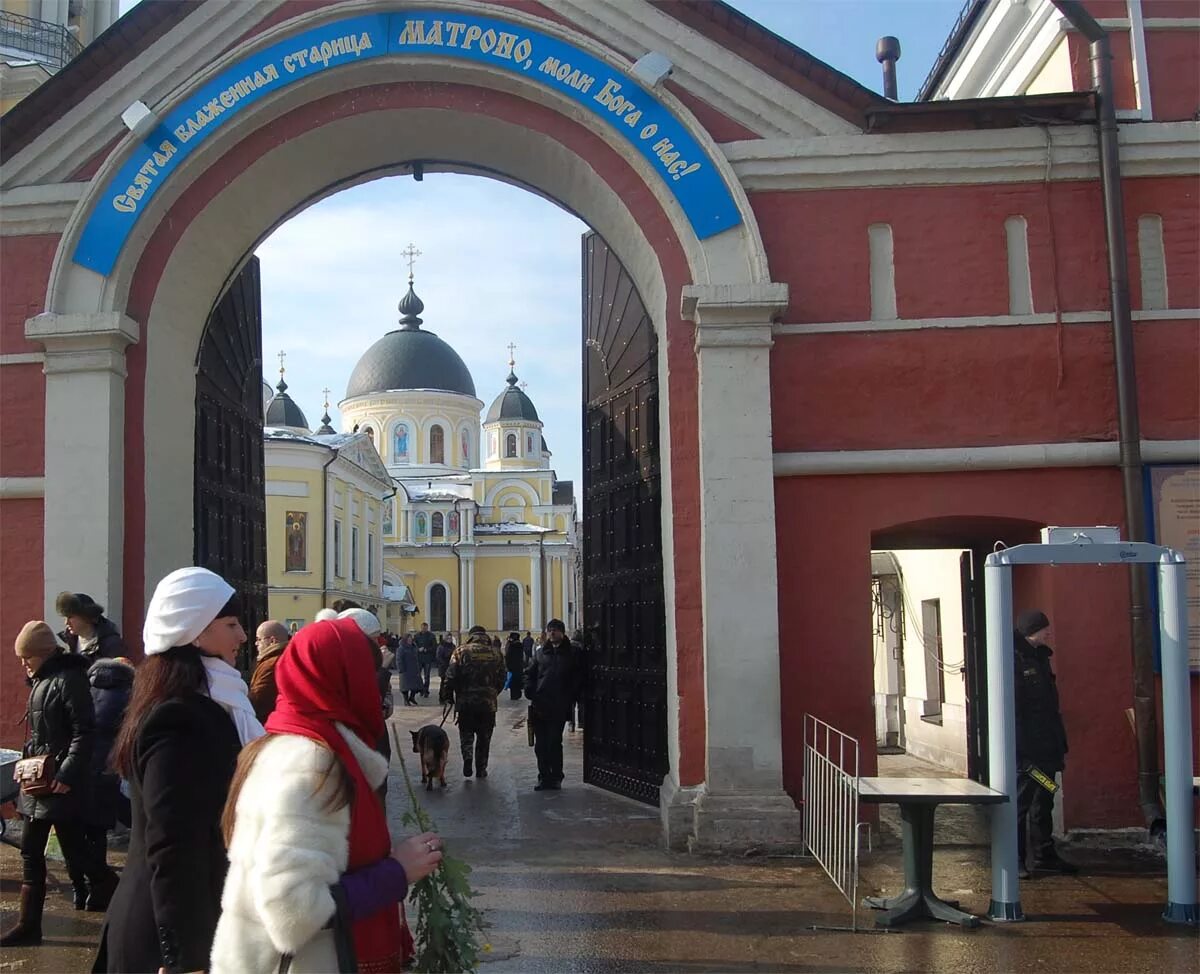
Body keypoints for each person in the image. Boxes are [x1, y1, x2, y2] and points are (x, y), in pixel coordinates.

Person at [210, 618, 442, 974]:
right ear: (343, 679)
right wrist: (396, 871)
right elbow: (294, 910)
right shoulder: (309, 763)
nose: (375, 687)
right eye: (367, 673)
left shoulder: (294, 739)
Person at [94, 567, 247, 974]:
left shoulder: (210, 702)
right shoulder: (179, 717)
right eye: (231, 624)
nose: (243, 636)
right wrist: (186, 958)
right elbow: (172, 843)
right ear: (196, 632)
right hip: (163, 939)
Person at [2, 622, 107, 947]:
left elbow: (84, 732)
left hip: (59, 785)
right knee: (33, 853)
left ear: (45, 653)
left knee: (77, 853)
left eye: (28, 657)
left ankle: (113, 892)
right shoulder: (44, 681)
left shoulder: (68, 681)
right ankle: (28, 925)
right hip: (39, 784)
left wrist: (66, 775)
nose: (24, 663)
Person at [1013, 609, 1076, 877]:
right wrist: (1020, 751)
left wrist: (1057, 743)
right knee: (1022, 803)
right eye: (1044, 628)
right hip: (1030, 752)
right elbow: (1016, 710)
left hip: (1047, 748)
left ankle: (1044, 854)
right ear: (1032, 631)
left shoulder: (1040, 657)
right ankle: (1016, 860)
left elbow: (1049, 707)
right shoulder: (1017, 660)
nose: (1048, 632)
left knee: (1045, 798)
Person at [81, 655, 134, 907]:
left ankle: (86, 890)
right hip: (110, 767)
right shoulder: (128, 692)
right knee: (104, 827)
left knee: (88, 827)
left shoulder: (86, 687)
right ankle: (104, 888)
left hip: (85, 765)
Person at [524, 619, 583, 791]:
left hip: (560, 704)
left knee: (554, 742)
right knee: (540, 744)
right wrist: (530, 690)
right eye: (550, 630)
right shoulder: (541, 653)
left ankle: (556, 776)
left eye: (555, 630)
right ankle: (543, 777)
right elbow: (530, 673)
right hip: (540, 704)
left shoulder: (572, 653)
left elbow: (578, 676)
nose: (552, 633)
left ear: (562, 632)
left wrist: (572, 694)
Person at [441, 626, 505, 778]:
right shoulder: (496, 653)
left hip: (465, 703)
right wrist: (493, 692)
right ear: (485, 635)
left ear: (471, 635)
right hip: (488, 704)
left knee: (466, 735)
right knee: (484, 738)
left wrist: (448, 696)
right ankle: (481, 768)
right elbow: (502, 677)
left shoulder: (460, 651)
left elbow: (450, 676)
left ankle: (468, 759)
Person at [56, 592, 127, 660]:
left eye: (70, 617)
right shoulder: (70, 641)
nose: (66, 622)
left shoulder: (111, 645)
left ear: (86, 616)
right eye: (65, 617)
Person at [249, 620, 291, 721]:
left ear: (272, 641)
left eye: (259, 639)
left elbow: (258, 699)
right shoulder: (287, 657)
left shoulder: (272, 664)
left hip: (268, 723)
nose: (256, 643)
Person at [414, 622, 438, 698]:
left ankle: (426, 690)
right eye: (423, 628)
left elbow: (434, 647)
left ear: (427, 628)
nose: (424, 629)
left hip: (427, 658)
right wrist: (418, 649)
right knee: (418, 675)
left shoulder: (431, 636)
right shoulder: (417, 636)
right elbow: (414, 645)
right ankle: (421, 689)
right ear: (421, 628)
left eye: (425, 628)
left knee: (427, 676)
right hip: (419, 658)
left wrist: (426, 649)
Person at [398, 633, 421, 706]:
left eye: (411, 639)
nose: (410, 640)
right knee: (405, 687)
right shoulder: (401, 648)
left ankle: (412, 697)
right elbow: (399, 659)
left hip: (414, 669)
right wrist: (401, 669)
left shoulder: (414, 647)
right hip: (405, 669)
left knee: (416, 685)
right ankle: (406, 700)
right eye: (408, 639)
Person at [504, 631, 525, 701]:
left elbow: (508, 656)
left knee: (513, 682)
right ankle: (517, 694)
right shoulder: (520, 645)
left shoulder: (512, 646)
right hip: (519, 666)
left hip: (512, 667)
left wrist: (507, 665)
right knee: (518, 680)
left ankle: (514, 695)